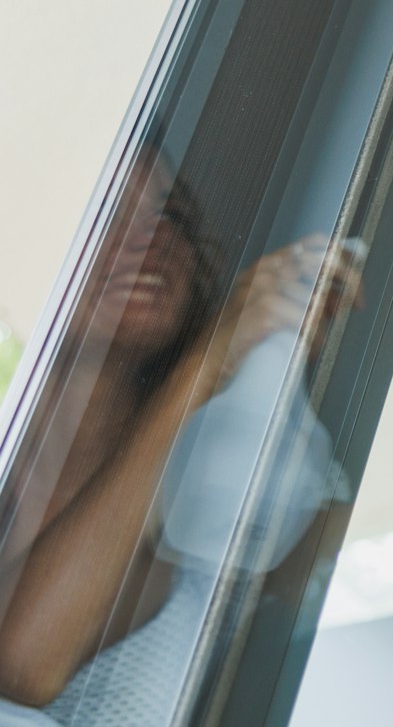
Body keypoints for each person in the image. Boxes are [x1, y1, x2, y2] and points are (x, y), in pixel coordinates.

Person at [0, 146, 361, 722]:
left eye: (175, 217)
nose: (154, 238)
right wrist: (211, 356)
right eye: (109, 214)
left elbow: (357, 560)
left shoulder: (228, 492)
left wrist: (238, 367)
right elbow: (23, 667)